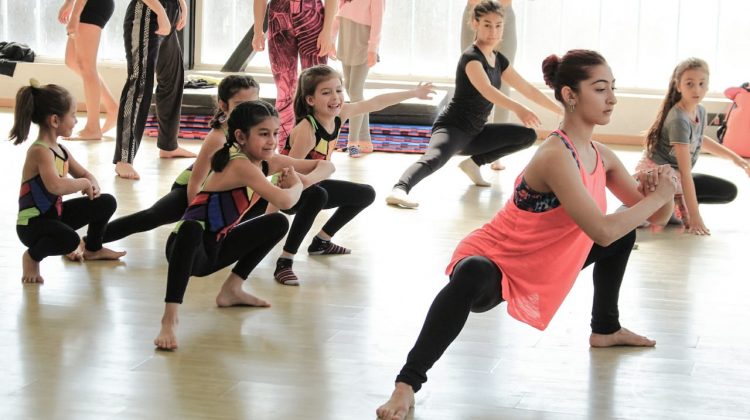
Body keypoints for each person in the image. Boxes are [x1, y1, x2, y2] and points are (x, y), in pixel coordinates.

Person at [376, 50, 678, 420]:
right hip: (499, 259)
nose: (612, 97)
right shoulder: (555, 154)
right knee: (471, 272)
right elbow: (601, 231)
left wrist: (660, 189)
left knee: (624, 235)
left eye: (612, 88)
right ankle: (406, 385)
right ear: (570, 95)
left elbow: (657, 216)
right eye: (600, 89)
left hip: (545, 261)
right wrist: (658, 199)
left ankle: (605, 329)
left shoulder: (603, 155)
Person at [154, 100, 333, 350]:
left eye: (274, 133)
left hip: (214, 250)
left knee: (276, 223)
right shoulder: (239, 164)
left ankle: (232, 289)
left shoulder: (263, 161)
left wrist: (299, 180)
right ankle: (169, 318)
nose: (271, 141)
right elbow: (284, 199)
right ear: (240, 136)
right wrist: (297, 184)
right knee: (191, 228)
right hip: (185, 251)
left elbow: (327, 166)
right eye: (263, 134)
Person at [385, 0, 562, 209]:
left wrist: (562, 111)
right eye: (487, 24)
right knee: (434, 159)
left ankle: (473, 163)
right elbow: (487, 90)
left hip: (476, 134)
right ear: (474, 23)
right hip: (453, 128)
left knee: (527, 135)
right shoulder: (471, 58)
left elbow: (528, 89)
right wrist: (519, 108)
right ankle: (399, 189)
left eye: (498, 25)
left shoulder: (498, 59)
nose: (493, 31)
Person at [272, 64, 433, 285]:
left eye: (338, 90)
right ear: (310, 100)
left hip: (314, 184)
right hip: (290, 191)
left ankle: (321, 242)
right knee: (318, 195)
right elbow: (289, 171)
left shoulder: (341, 114)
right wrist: (270, 215)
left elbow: (375, 103)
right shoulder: (307, 130)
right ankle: (285, 261)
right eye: (326, 92)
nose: (336, 97)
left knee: (365, 194)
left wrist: (413, 93)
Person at [101, 75, 262, 244]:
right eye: (240, 105)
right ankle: (91, 241)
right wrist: (199, 217)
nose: (248, 110)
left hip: (222, 191)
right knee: (151, 217)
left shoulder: (255, 129)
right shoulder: (218, 138)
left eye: (253, 103)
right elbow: (195, 183)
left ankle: (224, 235)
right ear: (223, 105)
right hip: (192, 190)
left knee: (269, 196)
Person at [10, 81, 126, 285]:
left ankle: (93, 248)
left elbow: (85, 173)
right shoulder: (40, 151)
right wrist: (82, 183)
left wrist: (93, 184)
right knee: (71, 240)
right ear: (55, 120)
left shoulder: (61, 150)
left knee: (106, 202)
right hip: (32, 226)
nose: (76, 121)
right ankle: (32, 257)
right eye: (73, 116)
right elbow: (55, 186)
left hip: (55, 216)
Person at [638, 57, 750, 235]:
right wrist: (695, 217)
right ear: (678, 85)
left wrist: (738, 161)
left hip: (677, 176)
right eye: (689, 84)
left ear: (707, 85)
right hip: (658, 178)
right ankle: (649, 203)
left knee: (728, 191)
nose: (696, 89)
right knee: (665, 219)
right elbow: (685, 172)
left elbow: (699, 139)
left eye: (701, 83)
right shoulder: (678, 120)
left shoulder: (700, 109)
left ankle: (678, 202)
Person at [115, 0, 195, 181]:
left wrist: (182, 5)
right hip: (147, 13)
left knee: (173, 79)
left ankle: (168, 146)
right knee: (140, 83)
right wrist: (160, 12)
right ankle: (123, 159)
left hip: (168, 13)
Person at [252, 0, 338, 151]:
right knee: (284, 89)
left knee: (317, 87)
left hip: (312, 15)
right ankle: (284, 146)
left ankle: (318, 145)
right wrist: (257, 30)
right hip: (278, 16)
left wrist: (327, 31)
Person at [461, 0, 516, 170]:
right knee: (474, 81)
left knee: (503, 81)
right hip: (475, 12)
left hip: (503, 13)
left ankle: (496, 150)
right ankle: (472, 143)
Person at [57, 0, 119, 140]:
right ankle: (112, 108)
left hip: (92, 5)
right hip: (87, 5)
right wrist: (69, 4)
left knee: (87, 66)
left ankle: (93, 128)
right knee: (72, 60)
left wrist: (75, 14)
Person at [331, 0, 385, 157]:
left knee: (355, 92)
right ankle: (365, 140)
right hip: (346, 40)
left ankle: (352, 142)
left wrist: (373, 48)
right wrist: (331, 39)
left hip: (363, 44)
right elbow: (337, 14)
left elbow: (378, 21)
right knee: (351, 91)